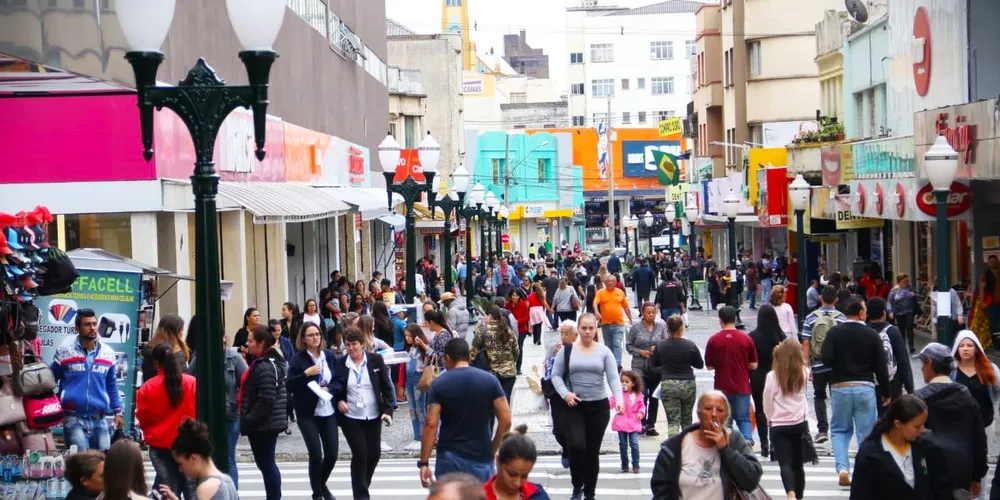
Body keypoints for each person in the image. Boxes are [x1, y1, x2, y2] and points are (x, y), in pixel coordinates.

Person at [420, 338, 512, 485]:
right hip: (482, 455)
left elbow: (431, 424)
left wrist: (424, 463)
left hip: (449, 456)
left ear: (448, 358)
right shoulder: (490, 380)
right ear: (469, 358)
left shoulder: (438, 385)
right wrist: (493, 446)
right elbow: (506, 419)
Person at [551, 313, 623, 500]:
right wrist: (565, 394)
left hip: (598, 407)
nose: (587, 332)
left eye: (591, 328)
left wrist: (619, 400)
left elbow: (613, 377)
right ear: (578, 329)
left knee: (592, 452)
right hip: (574, 405)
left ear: (596, 328)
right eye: (584, 328)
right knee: (576, 445)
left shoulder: (604, 351)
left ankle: (589, 493)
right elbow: (555, 375)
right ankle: (577, 485)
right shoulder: (567, 350)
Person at [820, 297, 891, 487]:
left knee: (839, 430)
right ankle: (865, 470)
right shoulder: (871, 334)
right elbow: (881, 367)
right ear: (860, 313)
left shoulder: (835, 333)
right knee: (866, 432)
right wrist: (886, 391)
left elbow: (826, 359)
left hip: (840, 386)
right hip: (865, 386)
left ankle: (843, 468)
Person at [650, 390, 764, 499]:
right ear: (698, 412)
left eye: (719, 410)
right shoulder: (675, 446)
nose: (713, 414)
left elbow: (752, 480)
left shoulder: (734, 440)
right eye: (708, 409)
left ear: (726, 416)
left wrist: (725, 449)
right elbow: (660, 488)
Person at [915, 342, 988, 499]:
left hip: (927, 473)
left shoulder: (919, 399)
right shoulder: (967, 397)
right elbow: (979, 439)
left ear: (929, 363)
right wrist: (977, 476)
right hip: (961, 473)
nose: (921, 369)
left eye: (923, 363)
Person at [850, 395, 954, 499]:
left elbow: (943, 489)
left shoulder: (927, 448)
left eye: (924, 424)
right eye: (917, 426)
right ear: (898, 424)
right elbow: (860, 494)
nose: (923, 430)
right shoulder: (870, 454)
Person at [50, 308, 124, 451]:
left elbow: (111, 385)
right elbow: (51, 378)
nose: (92, 328)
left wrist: (118, 412)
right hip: (73, 418)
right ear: (77, 328)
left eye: (94, 324)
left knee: (102, 464)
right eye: (87, 324)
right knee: (82, 464)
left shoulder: (108, 353)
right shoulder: (65, 351)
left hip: (100, 419)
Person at [333, 327, 394, 499]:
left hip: (373, 414)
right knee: (360, 453)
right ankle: (361, 495)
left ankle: (362, 484)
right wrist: (339, 400)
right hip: (351, 416)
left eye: (354, 344)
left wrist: (388, 410)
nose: (351, 348)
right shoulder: (340, 363)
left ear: (362, 344)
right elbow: (335, 387)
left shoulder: (375, 360)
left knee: (374, 454)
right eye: (347, 345)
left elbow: (386, 387)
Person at [185, 316, 246, 488]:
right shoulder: (200, 357)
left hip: (230, 415)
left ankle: (232, 494)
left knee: (229, 458)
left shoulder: (234, 357)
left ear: (223, 338)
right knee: (208, 457)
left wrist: (240, 404)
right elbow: (189, 380)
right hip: (207, 416)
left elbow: (247, 380)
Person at [286, 322, 342, 500]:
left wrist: (330, 390)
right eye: (310, 335)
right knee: (316, 454)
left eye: (317, 334)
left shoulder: (329, 356)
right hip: (307, 411)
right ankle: (317, 494)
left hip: (327, 409)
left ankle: (321, 484)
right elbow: (290, 385)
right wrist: (306, 374)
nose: (315, 337)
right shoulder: (298, 359)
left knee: (332, 454)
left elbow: (339, 380)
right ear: (303, 338)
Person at [136, 344, 197, 499]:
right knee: (191, 489)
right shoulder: (191, 383)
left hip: (159, 444)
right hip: (187, 443)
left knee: (168, 489)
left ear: (156, 363)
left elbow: (142, 417)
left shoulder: (148, 387)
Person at [239, 324, 288, 500]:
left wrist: (247, 421)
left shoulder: (266, 365)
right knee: (266, 465)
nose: (247, 343)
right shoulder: (266, 362)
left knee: (267, 465)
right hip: (265, 422)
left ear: (261, 344)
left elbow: (266, 401)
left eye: (251, 341)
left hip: (263, 424)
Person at [763, 338, 811, 500]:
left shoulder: (772, 376)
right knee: (798, 464)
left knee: (785, 463)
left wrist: (770, 419)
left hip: (779, 424)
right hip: (799, 423)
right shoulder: (804, 373)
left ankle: (790, 493)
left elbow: (767, 401)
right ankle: (799, 496)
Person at [704, 306, 759, 445]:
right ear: (735, 318)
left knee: (724, 420)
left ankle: (727, 444)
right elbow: (754, 365)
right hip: (742, 385)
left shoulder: (714, 340)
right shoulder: (746, 339)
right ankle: (747, 439)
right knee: (744, 418)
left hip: (722, 387)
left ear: (720, 320)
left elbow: (709, 366)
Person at [800, 285, 845, 444]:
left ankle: (822, 430)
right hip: (836, 366)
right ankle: (838, 428)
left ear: (820, 298)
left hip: (818, 364)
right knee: (837, 396)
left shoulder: (811, 317)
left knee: (819, 396)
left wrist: (806, 365)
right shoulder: (842, 318)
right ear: (836, 300)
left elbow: (806, 343)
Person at [157, 419, 239, 500]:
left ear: (193, 458)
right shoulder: (228, 480)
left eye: (180, 463)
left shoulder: (206, 488)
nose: (180, 469)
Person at [650, 315, 704, 437]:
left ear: (668, 329)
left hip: (668, 383)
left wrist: (663, 370)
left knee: (673, 421)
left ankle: (673, 448)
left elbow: (653, 366)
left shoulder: (661, 345)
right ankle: (688, 445)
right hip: (688, 383)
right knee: (686, 419)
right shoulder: (690, 345)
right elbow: (699, 364)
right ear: (681, 328)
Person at [867, 297, 915, 415]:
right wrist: (909, 387)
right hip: (893, 384)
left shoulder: (864, 331)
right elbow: (902, 360)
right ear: (884, 313)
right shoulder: (893, 331)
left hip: (870, 384)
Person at [625, 302, 667, 436]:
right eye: (648, 312)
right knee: (642, 395)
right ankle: (640, 422)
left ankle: (651, 424)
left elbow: (666, 343)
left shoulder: (661, 327)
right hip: (639, 366)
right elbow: (628, 346)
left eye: (653, 312)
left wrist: (659, 349)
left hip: (656, 367)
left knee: (654, 397)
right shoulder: (636, 328)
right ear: (643, 313)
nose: (651, 315)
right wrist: (640, 352)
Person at [749, 304, 784, 456]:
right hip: (777, 376)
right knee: (776, 410)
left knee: (760, 410)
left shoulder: (752, 336)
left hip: (758, 376)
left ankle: (764, 443)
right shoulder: (781, 337)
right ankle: (775, 444)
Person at [483, 424, 550, 500]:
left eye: (524, 476)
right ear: (498, 462)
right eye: (512, 474)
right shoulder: (479, 496)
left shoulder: (538, 495)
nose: (517, 483)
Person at [951, 330, 1000, 431]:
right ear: (957, 349)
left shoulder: (991, 369)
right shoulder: (951, 371)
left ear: (976, 348)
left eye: (969, 345)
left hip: (985, 424)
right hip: (960, 427)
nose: (965, 349)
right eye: (961, 346)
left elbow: (996, 391)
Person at [471, 305, 520, 403]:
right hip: (509, 372)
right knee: (506, 401)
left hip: (490, 373)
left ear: (489, 315)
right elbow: (516, 350)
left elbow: (473, 352)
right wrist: (511, 362)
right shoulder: (508, 330)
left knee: (491, 402)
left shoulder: (482, 331)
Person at [593, 275, 633, 368]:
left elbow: (626, 307)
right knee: (608, 345)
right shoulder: (601, 292)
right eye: (608, 281)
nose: (609, 283)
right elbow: (595, 303)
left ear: (615, 283)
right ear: (605, 283)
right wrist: (596, 311)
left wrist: (630, 319)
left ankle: (617, 364)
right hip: (605, 323)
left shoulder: (620, 292)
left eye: (612, 281)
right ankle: (610, 362)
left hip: (618, 323)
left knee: (617, 343)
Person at [403, 324, 432, 452]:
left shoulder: (422, 348)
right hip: (409, 381)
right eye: (406, 336)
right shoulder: (409, 349)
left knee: (420, 409)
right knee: (412, 409)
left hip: (418, 380)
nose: (407, 338)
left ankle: (423, 437)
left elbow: (432, 354)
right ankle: (416, 436)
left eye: (409, 335)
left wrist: (422, 344)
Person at [611, 370, 645, 473]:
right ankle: (624, 464)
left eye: (627, 381)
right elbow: (612, 401)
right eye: (622, 381)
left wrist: (641, 413)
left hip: (633, 422)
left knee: (634, 443)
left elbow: (642, 406)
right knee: (623, 444)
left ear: (633, 384)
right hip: (621, 421)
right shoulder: (619, 394)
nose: (624, 384)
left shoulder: (638, 395)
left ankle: (636, 464)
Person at [140, 314, 190, 383]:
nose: (182, 333)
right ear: (174, 332)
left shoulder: (150, 349)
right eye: (181, 330)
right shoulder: (176, 351)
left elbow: (148, 377)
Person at [887, 273, 919, 354]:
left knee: (909, 326)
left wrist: (914, 295)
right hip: (899, 312)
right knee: (901, 329)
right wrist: (890, 311)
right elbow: (889, 301)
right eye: (905, 281)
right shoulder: (894, 290)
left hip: (909, 310)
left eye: (907, 281)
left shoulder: (910, 287)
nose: (907, 283)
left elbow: (917, 295)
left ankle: (911, 346)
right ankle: (902, 346)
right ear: (899, 282)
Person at [526, 283, 552, 350]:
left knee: (534, 325)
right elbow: (545, 304)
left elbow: (527, 305)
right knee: (539, 325)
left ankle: (534, 339)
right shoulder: (541, 296)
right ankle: (539, 339)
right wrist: (550, 310)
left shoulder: (529, 296)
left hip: (532, 310)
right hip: (539, 310)